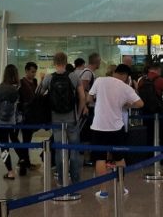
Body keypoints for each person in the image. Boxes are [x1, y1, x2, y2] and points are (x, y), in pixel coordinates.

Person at [88, 63, 144, 197]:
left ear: (115, 72)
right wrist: (126, 104)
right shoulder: (125, 87)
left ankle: (103, 190)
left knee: (100, 159)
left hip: (98, 126)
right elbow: (140, 103)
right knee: (119, 158)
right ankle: (121, 187)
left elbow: (89, 98)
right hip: (116, 127)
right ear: (125, 76)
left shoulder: (99, 80)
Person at [36, 52, 86, 185]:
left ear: (54, 62)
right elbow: (82, 97)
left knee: (59, 149)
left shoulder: (49, 78)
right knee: (74, 149)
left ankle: (61, 179)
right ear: (66, 61)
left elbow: (38, 95)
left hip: (55, 118)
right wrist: (79, 113)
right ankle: (75, 180)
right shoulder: (73, 76)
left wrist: (41, 80)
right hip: (72, 118)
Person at [0, 64, 20, 179]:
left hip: (0, 122)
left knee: (4, 147)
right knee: (16, 141)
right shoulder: (17, 88)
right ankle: (24, 159)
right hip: (12, 122)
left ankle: (10, 171)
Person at [17, 62, 42, 171]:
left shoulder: (35, 82)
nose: (33, 74)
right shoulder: (21, 83)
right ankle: (25, 162)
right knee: (26, 139)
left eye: (35, 72)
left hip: (33, 115)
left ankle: (24, 161)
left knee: (28, 139)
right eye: (32, 72)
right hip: (25, 116)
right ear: (26, 71)